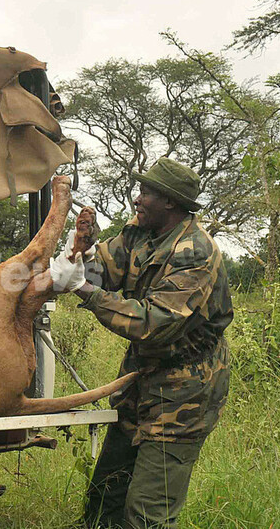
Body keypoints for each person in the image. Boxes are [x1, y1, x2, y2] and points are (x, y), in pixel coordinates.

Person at [50, 157, 233, 528]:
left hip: (184, 393)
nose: (137, 199)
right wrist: (82, 260)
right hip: (140, 379)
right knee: (106, 495)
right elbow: (107, 268)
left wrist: (82, 288)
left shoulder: (196, 253)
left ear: (169, 202)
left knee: (147, 513)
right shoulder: (140, 231)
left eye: (146, 192)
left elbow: (155, 323)